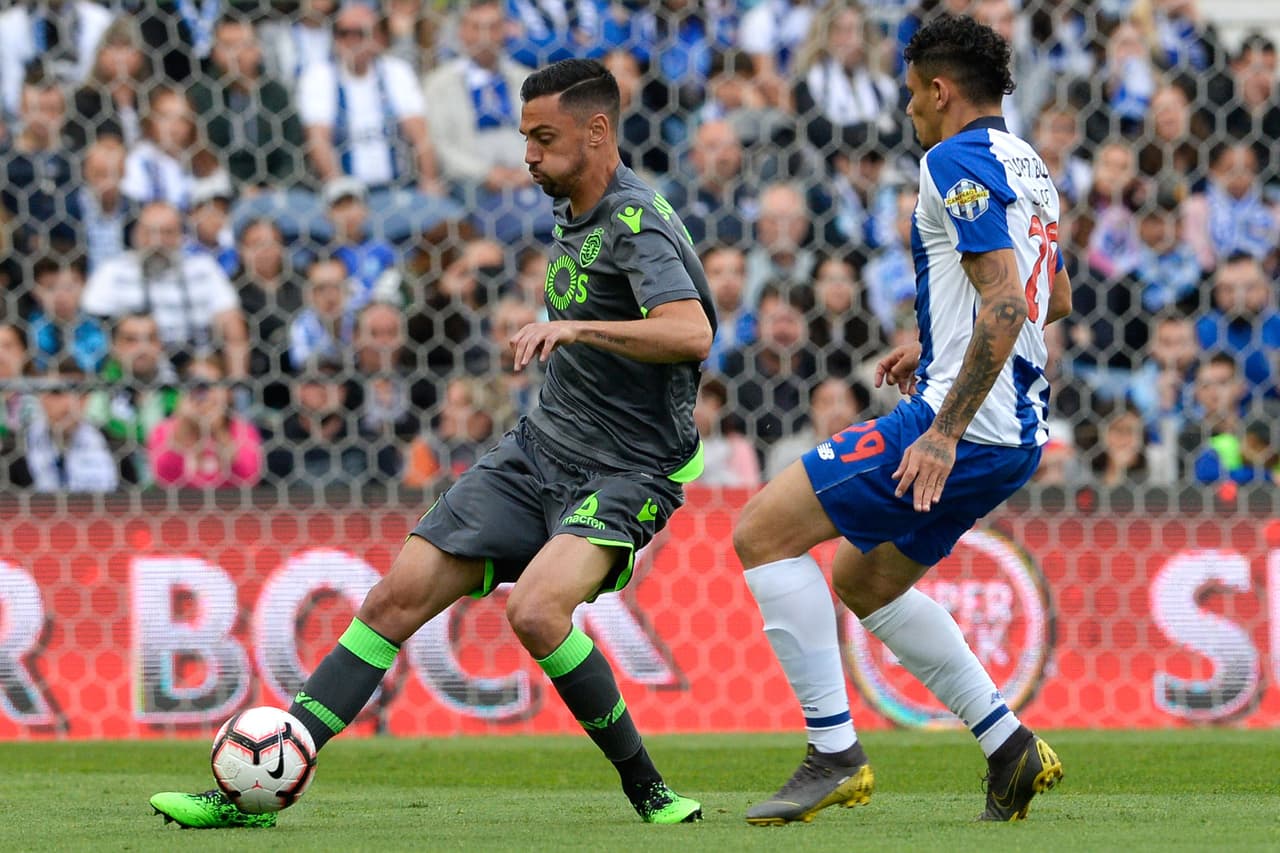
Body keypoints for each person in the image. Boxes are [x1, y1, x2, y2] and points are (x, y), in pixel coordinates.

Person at [151, 57, 713, 828]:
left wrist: (578, 328)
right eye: (525, 137)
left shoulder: (634, 223)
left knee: (537, 611)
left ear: (596, 131)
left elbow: (691, 331)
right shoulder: (573, 208)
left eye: (544, 139)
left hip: (627, 470)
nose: (528, 156)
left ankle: (648, 788)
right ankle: (259, 786)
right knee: (394, 596)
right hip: (541, 447)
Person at [732, 16, 1068, 827]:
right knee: (863, 578)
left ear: (940, 90)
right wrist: (940, 342)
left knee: (761, 532)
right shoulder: (1030, 165)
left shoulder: (950, 159)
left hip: (965, 427)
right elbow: (1047, 297)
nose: (908, 106)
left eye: (913, 91)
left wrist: (942, 429)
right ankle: (1010, 746)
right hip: (1017, 432)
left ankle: (833, 752)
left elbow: (1002, 301)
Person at [147, 352, 263, 489]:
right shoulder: (164, 430)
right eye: (195, 384)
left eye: (209, 385)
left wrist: (219, 431)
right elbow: (164, 477)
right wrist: (184, 425)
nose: (203, 393)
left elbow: (249, 478)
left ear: (227, 392)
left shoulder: (242, 430)